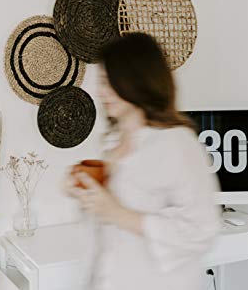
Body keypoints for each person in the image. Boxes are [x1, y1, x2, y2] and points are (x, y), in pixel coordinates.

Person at [65, 33, 220, 290]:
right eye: (102, 81)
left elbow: (202, 230)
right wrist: (81, 192)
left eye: (110, 82)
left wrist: (117, 213)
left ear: (136, 80)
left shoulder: (177, 145)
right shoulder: (111, 143)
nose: (102, 92)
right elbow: (103, 224)